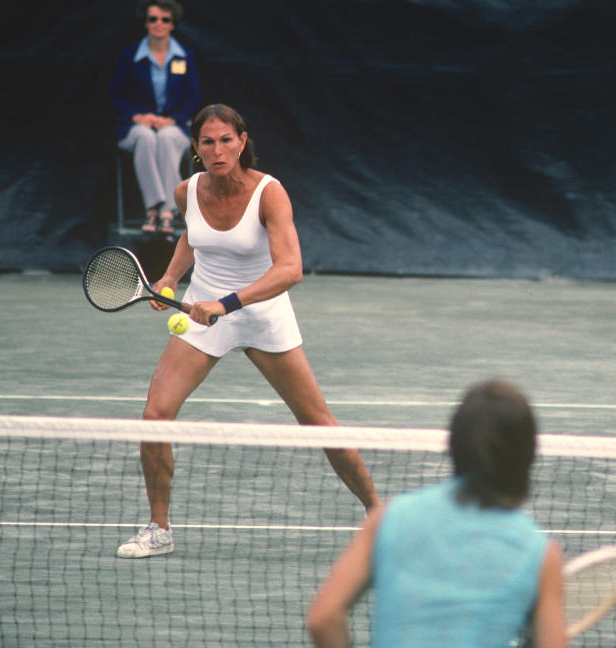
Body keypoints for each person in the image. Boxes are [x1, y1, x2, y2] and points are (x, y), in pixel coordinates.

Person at [116, 104, 380, 559]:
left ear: (242, 141)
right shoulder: (187, 191)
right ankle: (159, 528)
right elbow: (191, 237)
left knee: (317, 422)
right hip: (203, 312)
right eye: (207, 142)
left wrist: (227, 303)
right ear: (195, 149)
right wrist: (169, 279)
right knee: (155, 416)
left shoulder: (270, 194)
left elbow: (291, 270)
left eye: (225, 140)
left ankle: (378, 514)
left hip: (262, 313)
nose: (217, 150)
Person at [306, 380, 567, 648]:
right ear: (527, 456)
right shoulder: (541, 556)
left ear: (454, 445)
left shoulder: (389, 519)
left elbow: (323, 619)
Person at [108, 0, 202, 235]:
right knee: (147, 137)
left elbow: (193, 99)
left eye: (165, 19)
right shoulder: (130, 55)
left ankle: (165, 212)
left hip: (175, 126)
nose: (159, 24)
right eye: (153, 19)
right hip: (136, 127)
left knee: (167, 138)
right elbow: (115, 96)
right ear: (145, 23)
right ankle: (157, 208)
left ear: (172, 24)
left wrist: (173, 119)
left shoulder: (184, 57)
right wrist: (137, 116)